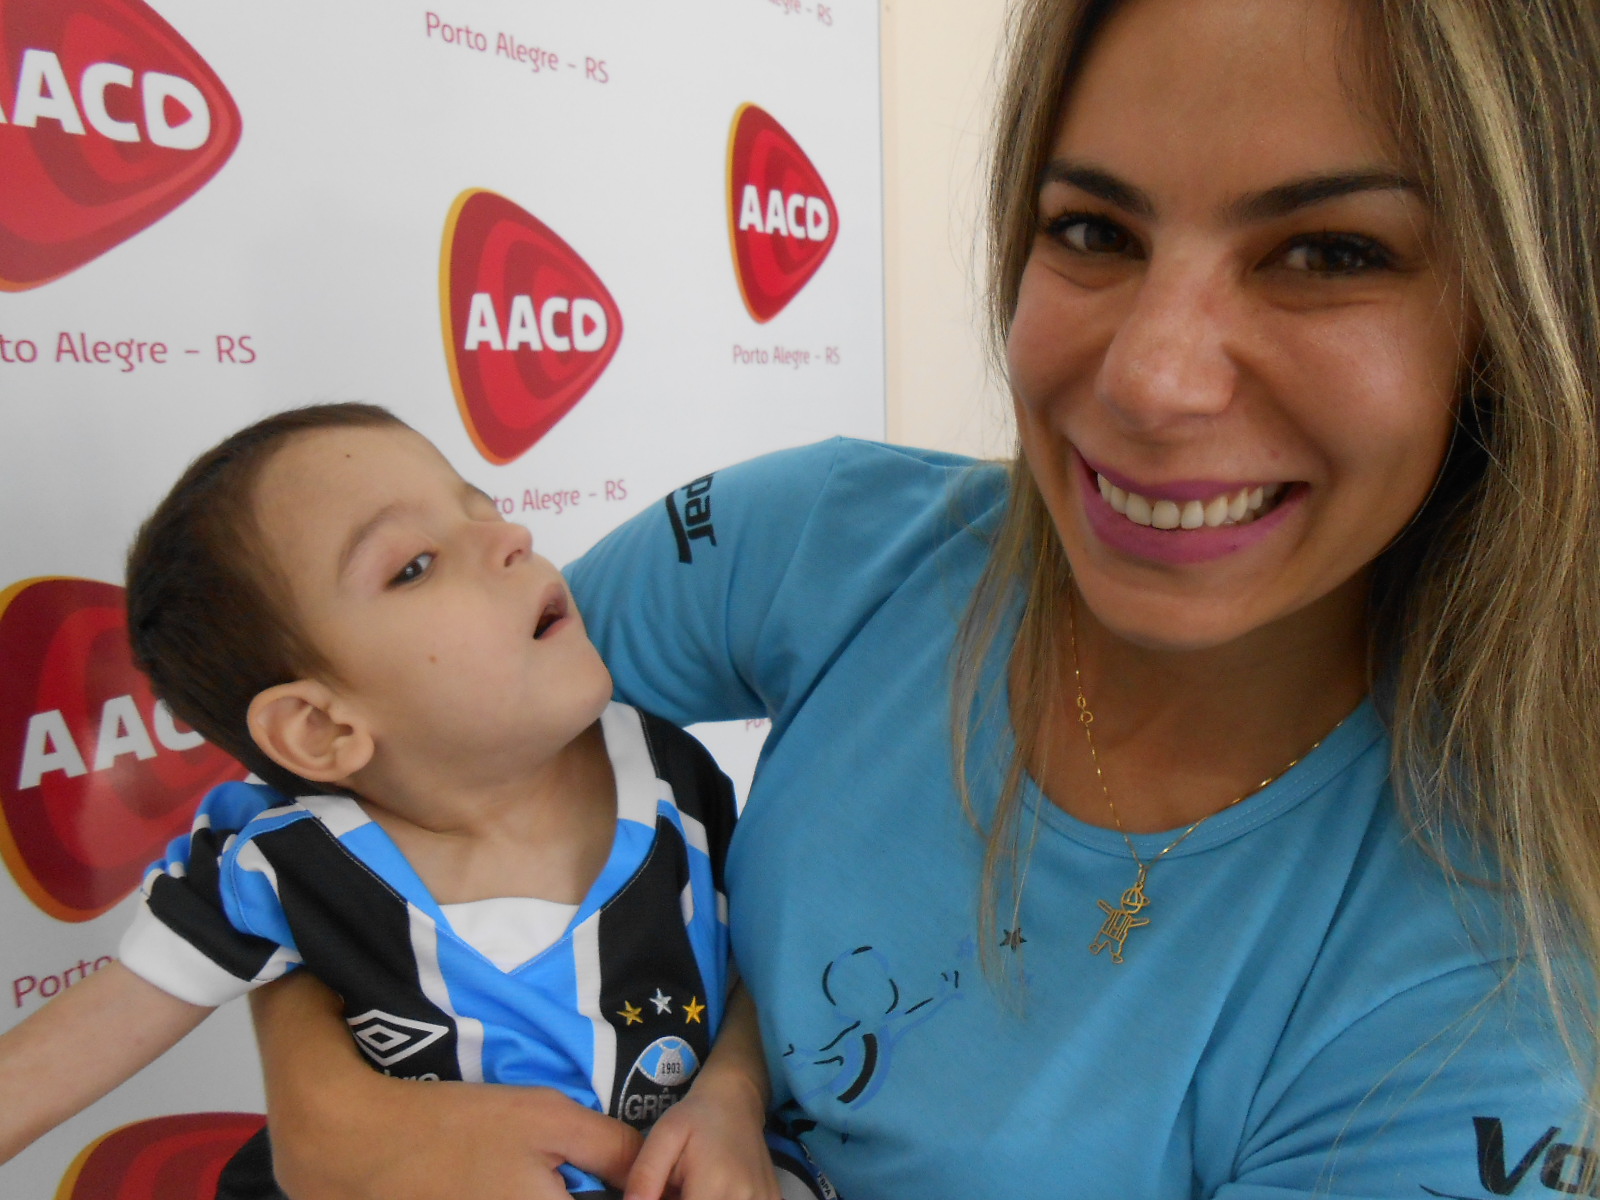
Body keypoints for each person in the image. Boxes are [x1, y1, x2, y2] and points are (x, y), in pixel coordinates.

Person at [233, 0, 1600, 1196]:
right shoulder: (829, 539)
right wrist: (331, 1111)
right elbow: (359, 749)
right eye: (1092, 229)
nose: (1148, 378)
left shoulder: (1486, 995)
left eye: (1329, 253)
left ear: (1527, 313)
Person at [0, 405, 828, 1200]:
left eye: (484, 508)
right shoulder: (277, 860)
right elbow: (54, 1062)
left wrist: (732, 1095)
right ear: (321, 729)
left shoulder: (673, 778)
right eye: (414, 565)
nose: (512, 538)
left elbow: (767, 961)